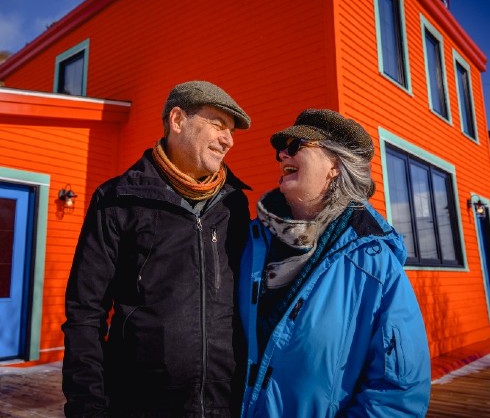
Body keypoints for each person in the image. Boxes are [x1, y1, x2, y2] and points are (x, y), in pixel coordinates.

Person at [62, 81, 252, 417]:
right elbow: (84, 313)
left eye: (232, 131)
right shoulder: (118, 199)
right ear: (178, 120)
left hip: (226, 403)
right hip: (139, 403)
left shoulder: (234, 205)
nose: (229, 140)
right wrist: (87, 405)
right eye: (218, 126)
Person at [238, 109, 431, 417]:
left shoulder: (375, 264)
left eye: (296, 144)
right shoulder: (249, 241)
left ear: (335, 166)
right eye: (281, 147)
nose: (281, 153)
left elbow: (398, 395)